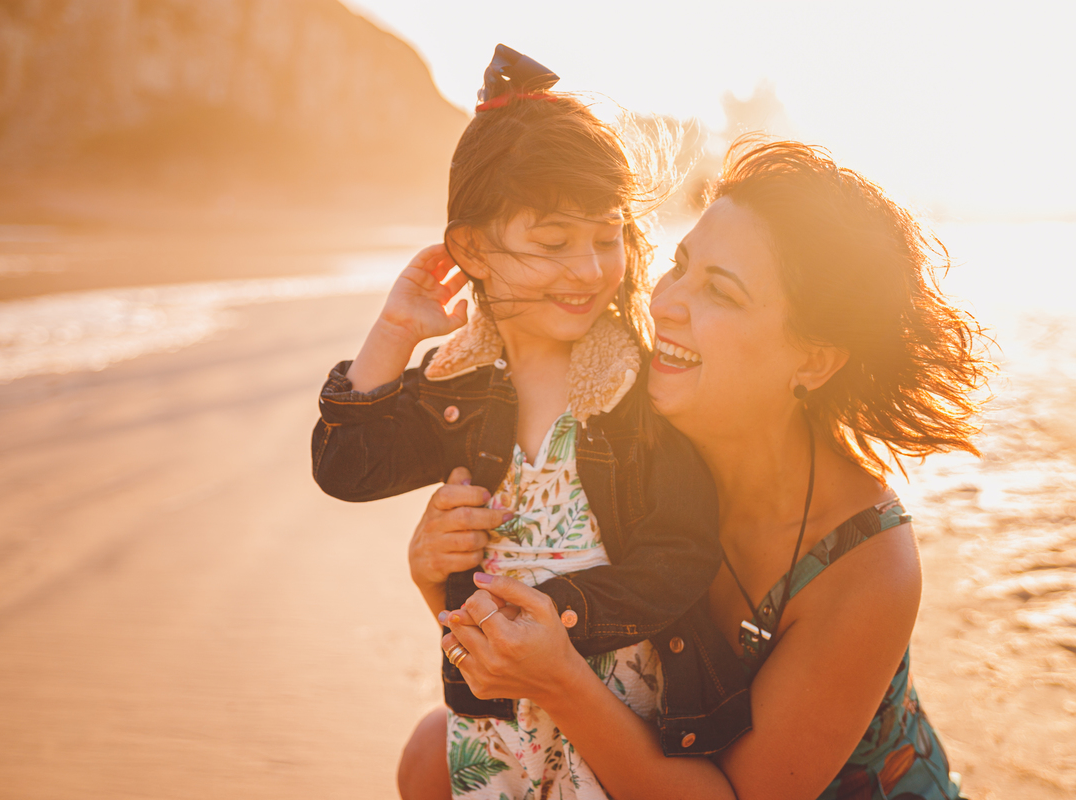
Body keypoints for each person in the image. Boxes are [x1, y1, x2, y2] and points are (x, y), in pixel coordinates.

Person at [411, 137, 988, 799]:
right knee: (431, 758)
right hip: (643, 763)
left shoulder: (867, 565)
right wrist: (438, 575)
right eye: (680, 265)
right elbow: (522, 640)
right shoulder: (622, 433)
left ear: (814, 360)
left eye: (721, 291)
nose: (665, 303)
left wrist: (562, 684)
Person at [311, 46, 753, 800]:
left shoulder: (635, 387)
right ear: (474, 249)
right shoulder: (461, 385)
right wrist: (392, 331)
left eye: (606, 238)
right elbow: (349, 470)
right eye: (553, 244)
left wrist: (563, 616)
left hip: (623, 715)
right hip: (498, 720)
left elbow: (682, 551)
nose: (587, 269)